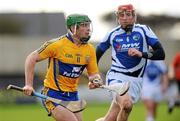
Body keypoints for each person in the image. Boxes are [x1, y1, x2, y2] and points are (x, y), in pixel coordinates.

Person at [22, 14, 104, 121]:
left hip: (73, 95)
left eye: (88, 25)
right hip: (53, 94)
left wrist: (96, 80)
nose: (88, 29)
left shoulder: (90, 49)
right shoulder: (57, 45)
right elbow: (31, 58)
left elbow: (93, 74)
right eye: (84, 25)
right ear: (73, 28)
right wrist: (28, 85)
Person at [95, 4, 165, 121]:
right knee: (127, 105)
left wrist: (141, 54)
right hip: (116, 76)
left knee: (110, 119)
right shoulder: (112, 34)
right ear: (118, 17)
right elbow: (95, 55)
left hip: (136, 81)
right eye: (121, 15)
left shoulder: (144, 30)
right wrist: (94, 75)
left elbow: (161, 53)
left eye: (128, 14)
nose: (125, 18)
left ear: (134, 16)